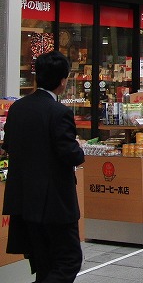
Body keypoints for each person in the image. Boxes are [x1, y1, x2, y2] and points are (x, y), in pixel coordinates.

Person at [2, 50, 85, 282]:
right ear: (62, 81)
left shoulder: (17, 108)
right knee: (69, 260)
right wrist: (78, 148)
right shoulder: (60, 112)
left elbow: (8, 144)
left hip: (24, 201)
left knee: (43, 263)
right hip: (55, 203)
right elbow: (71, 155)